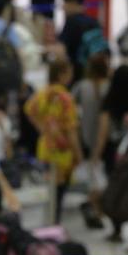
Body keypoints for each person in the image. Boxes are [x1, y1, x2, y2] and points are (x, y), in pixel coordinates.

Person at [25, 60, 82, 223]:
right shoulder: (65, 98)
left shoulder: (43, 93)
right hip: (62, 149)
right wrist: (78, 153)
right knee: (60, 188)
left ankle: (49, 218)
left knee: (50, 186)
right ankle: (54, 221)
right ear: (62, 74)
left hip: (45, 146)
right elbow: (71, 130)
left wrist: (43, 128)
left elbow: (29, 110)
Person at [94, 65, 128, 241]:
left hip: (112, 153)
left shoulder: (109, 102)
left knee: (114, 189)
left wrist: (96, 155)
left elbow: (103, 133)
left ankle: (116, 227)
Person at [72, 52, 110, 229]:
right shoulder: (109, 87)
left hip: (85, 138)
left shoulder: (82, 86)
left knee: (92, 176)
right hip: (107, 140)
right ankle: (97, 207)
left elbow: (71, 106)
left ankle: (93, 205)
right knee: (103, 177)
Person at [59, 0, 107, 76]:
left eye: (65, 3)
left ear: (72, 3)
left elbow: (61, 49)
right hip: (94, 71)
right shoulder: (94, 22)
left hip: (77, 72)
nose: (63, 7)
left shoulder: (71, 22)